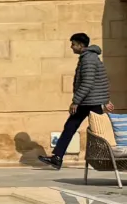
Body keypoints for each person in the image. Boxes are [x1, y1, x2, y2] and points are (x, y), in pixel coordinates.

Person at [39, 32, 110, 169]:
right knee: (84, 129)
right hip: (90, 101)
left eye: (73, 44)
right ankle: (57, 157)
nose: (71, 47)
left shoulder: (88, 59)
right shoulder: (89, 57)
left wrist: (75, 101)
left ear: (80, 45)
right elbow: (101, 80)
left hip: (88, 102)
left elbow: (88, 83)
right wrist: (106, 99)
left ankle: (58, 157)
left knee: (79, 128)